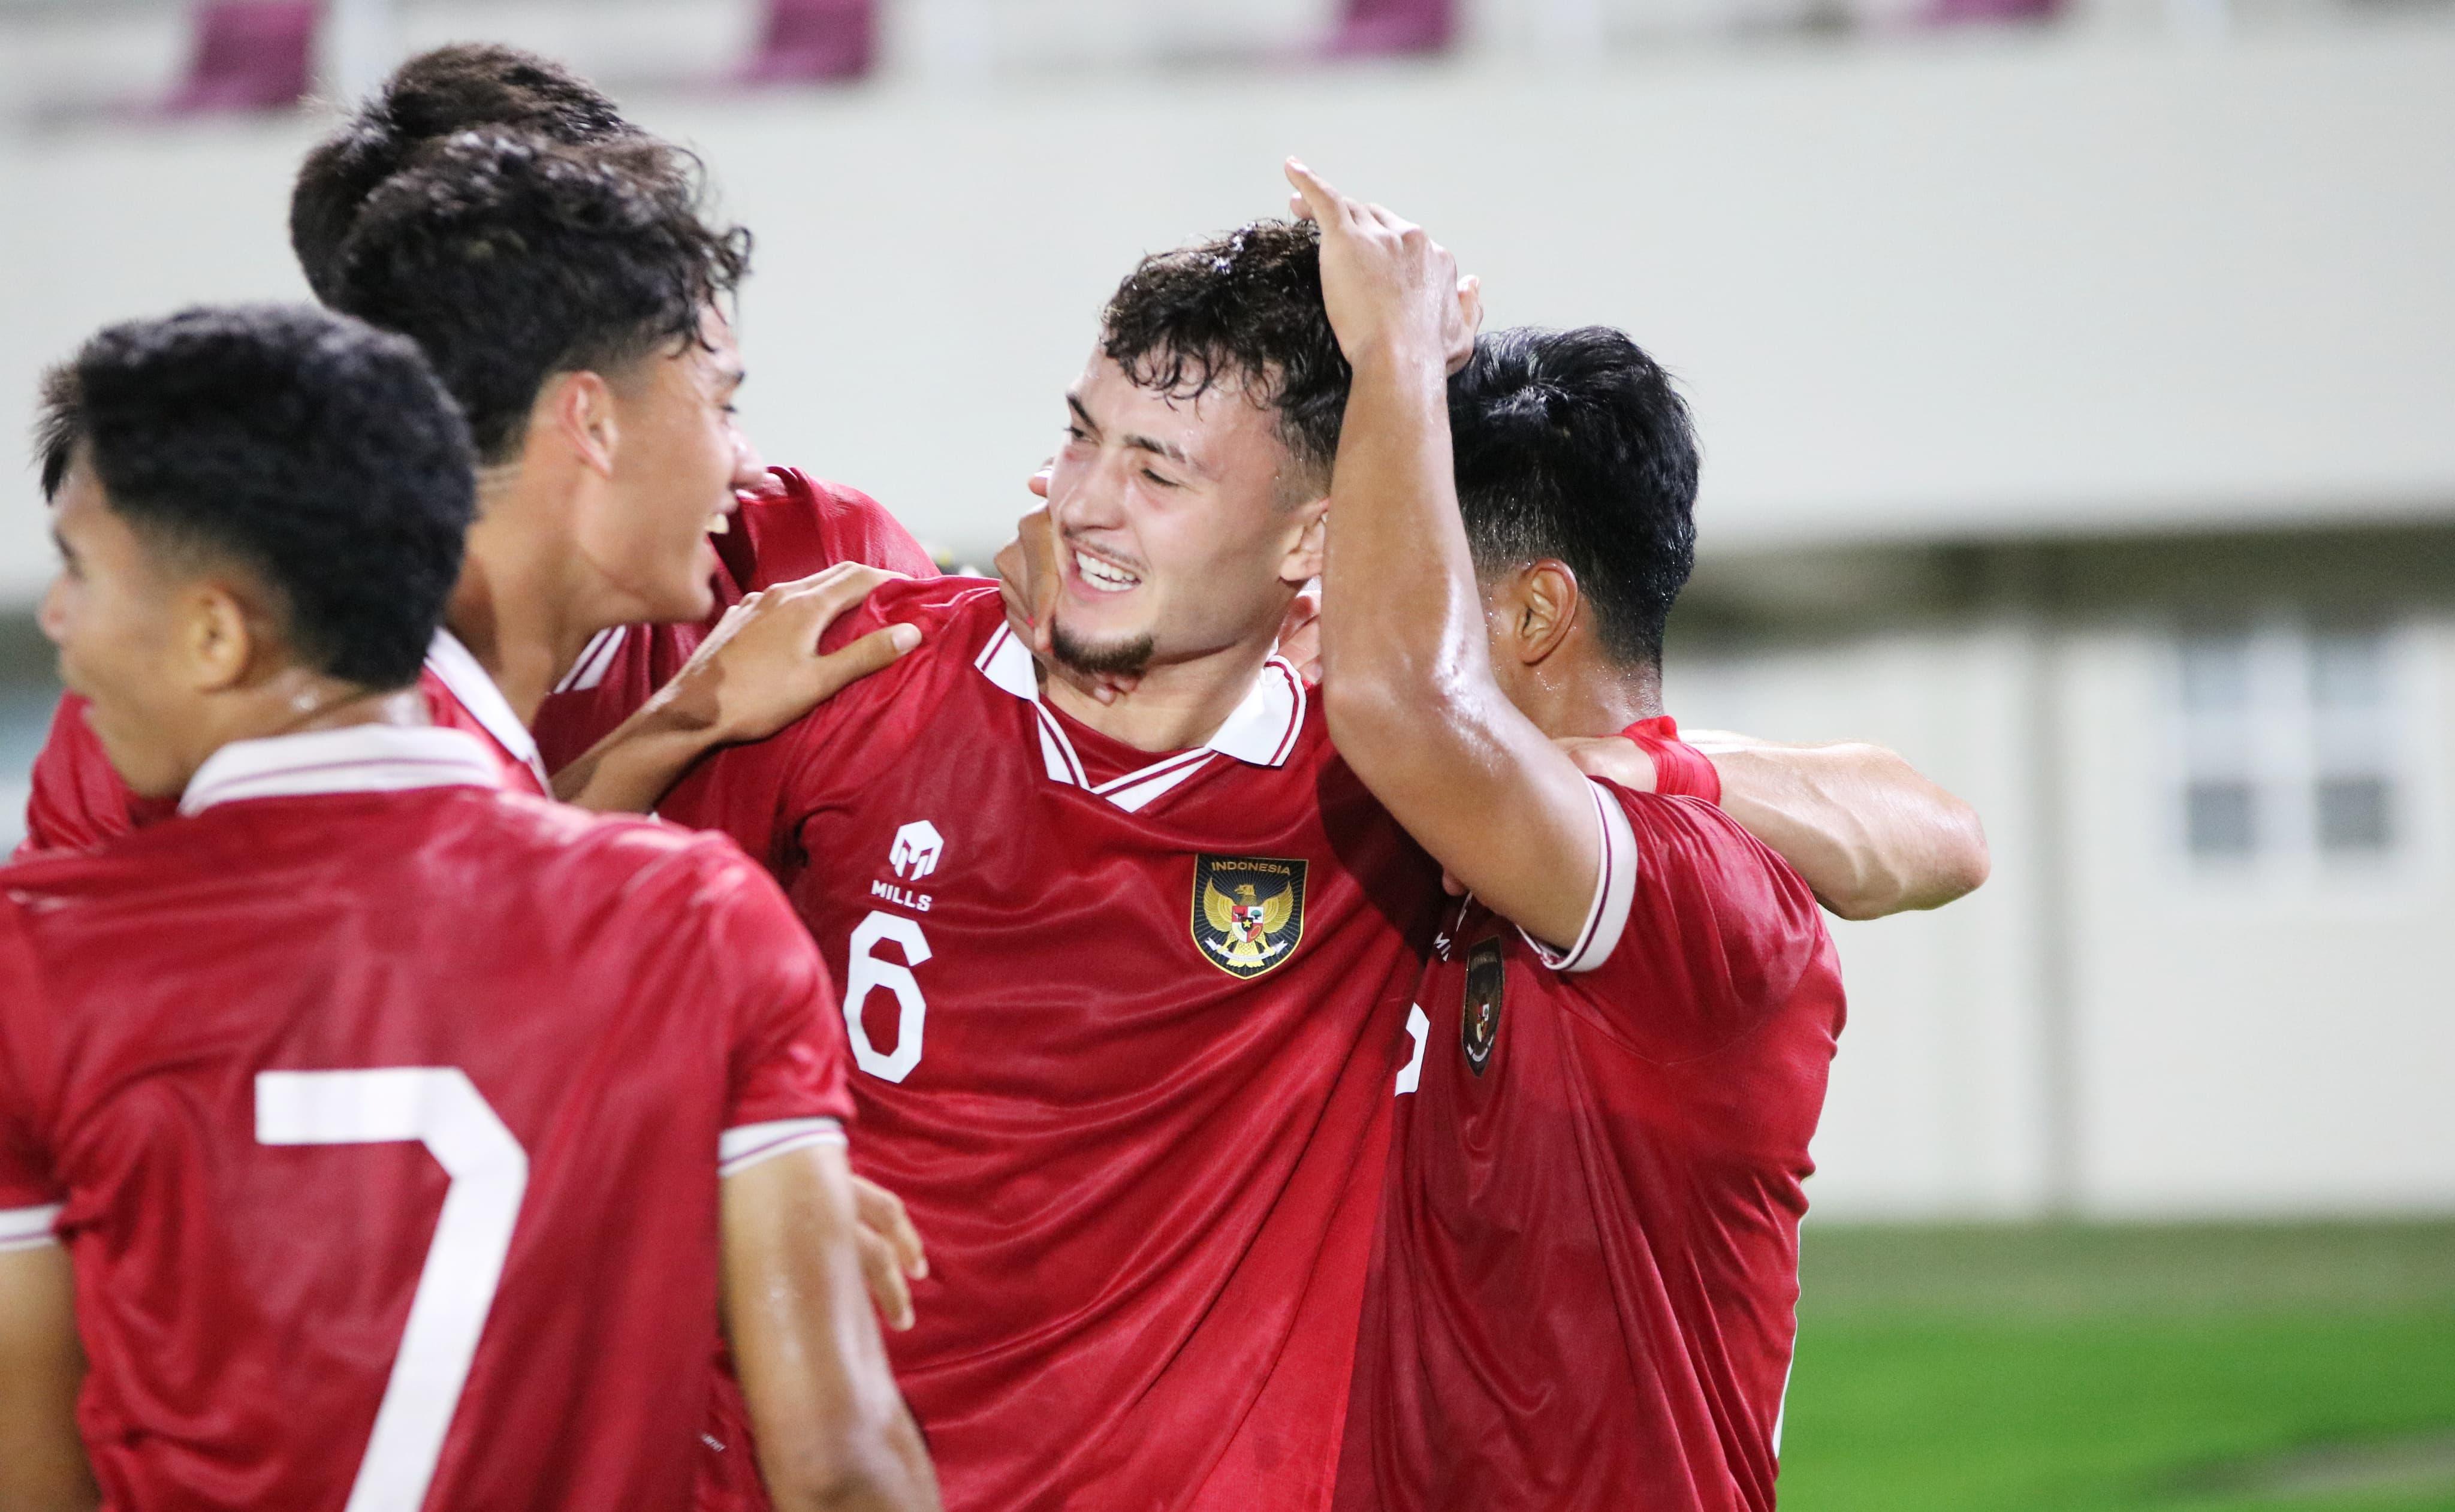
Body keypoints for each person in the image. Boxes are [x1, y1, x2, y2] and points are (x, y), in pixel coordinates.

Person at [596, 206, 1984, 1509]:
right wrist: (671, 733)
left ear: (1315, 540)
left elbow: (1922, 827)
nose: (1085, 501)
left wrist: (1629, 764)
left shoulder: (1381, 782)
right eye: (1081, 440)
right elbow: (534, 969)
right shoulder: (853, 672)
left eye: (1158, 470)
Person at [0, 304, 939, 1512]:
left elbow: (32, 1476)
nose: (55, 617)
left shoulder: (37, 957)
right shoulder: (699, 916)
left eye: (79, 570)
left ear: (218, 631)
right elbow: (843, 1470)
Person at [1283, 165, 1867, 1510]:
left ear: (1536, 616)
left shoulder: (1694, 895)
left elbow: (1404, 702)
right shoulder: (1442, 864)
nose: (1337, 617)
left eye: (1400, 581)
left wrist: (1396, 362)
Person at [19, 49, 936, 858]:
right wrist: (670, 735)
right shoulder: (213, 649)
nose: (741, 454)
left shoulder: (817, 553)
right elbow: (282, 955)